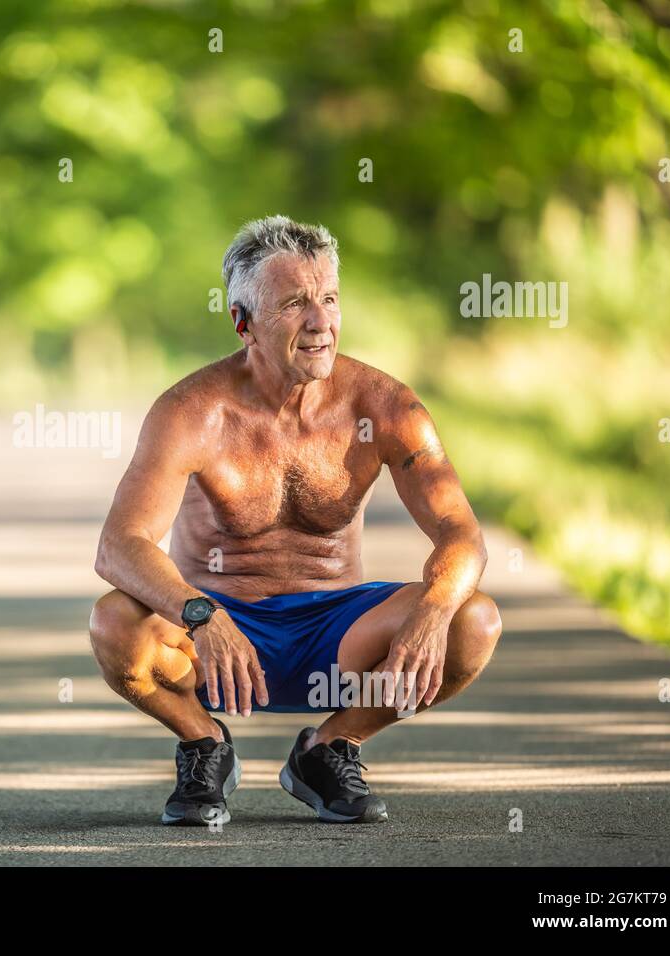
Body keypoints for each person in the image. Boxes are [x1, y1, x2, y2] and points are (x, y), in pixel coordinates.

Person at [89, 216, 502, 825]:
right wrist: (202, 615)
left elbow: (460, 534)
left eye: (329, 299)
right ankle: (204, 743)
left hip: (338, 640)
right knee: (112, 622)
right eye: (294, 304)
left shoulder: (384, 405)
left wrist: (433, 613)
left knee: (475, 619)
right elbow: (119, 546)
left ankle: (331, 748)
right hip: (214, 638)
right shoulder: (191, 411)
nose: (320, 322)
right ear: (242, 321)